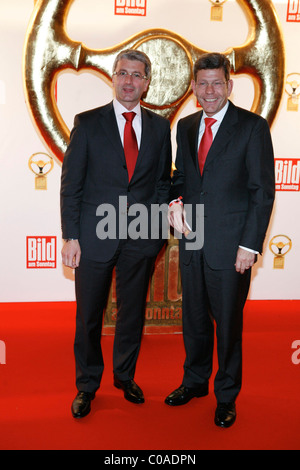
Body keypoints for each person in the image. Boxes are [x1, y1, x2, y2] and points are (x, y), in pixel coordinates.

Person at [165, 53, 275, 428]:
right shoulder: (185, 125)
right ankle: (195, 382)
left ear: (229, 85)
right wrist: (175, 199)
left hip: (231, 246)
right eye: (203, 84)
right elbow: (181, 176)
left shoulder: (253, 127)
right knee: (193, 318)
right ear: (194, 89)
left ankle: (226, 395)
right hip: (192, 241)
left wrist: (250, 245)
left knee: (227, 324)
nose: (210, 90)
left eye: (217, 83)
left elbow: (262, 192)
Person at [61, 49, 172, 418]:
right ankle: (87, 385)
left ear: (147, 82)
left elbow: (161, 183)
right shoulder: (88, 123)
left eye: (137, 75)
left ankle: (125, 376)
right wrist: (71, 235)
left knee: (131, 313)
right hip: (93, 237)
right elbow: (71, 184)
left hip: (141, 238)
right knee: (89, 315)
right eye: (123, 73)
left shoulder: (159, 127)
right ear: (113, 77)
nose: (129, 81)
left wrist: (156, 235)